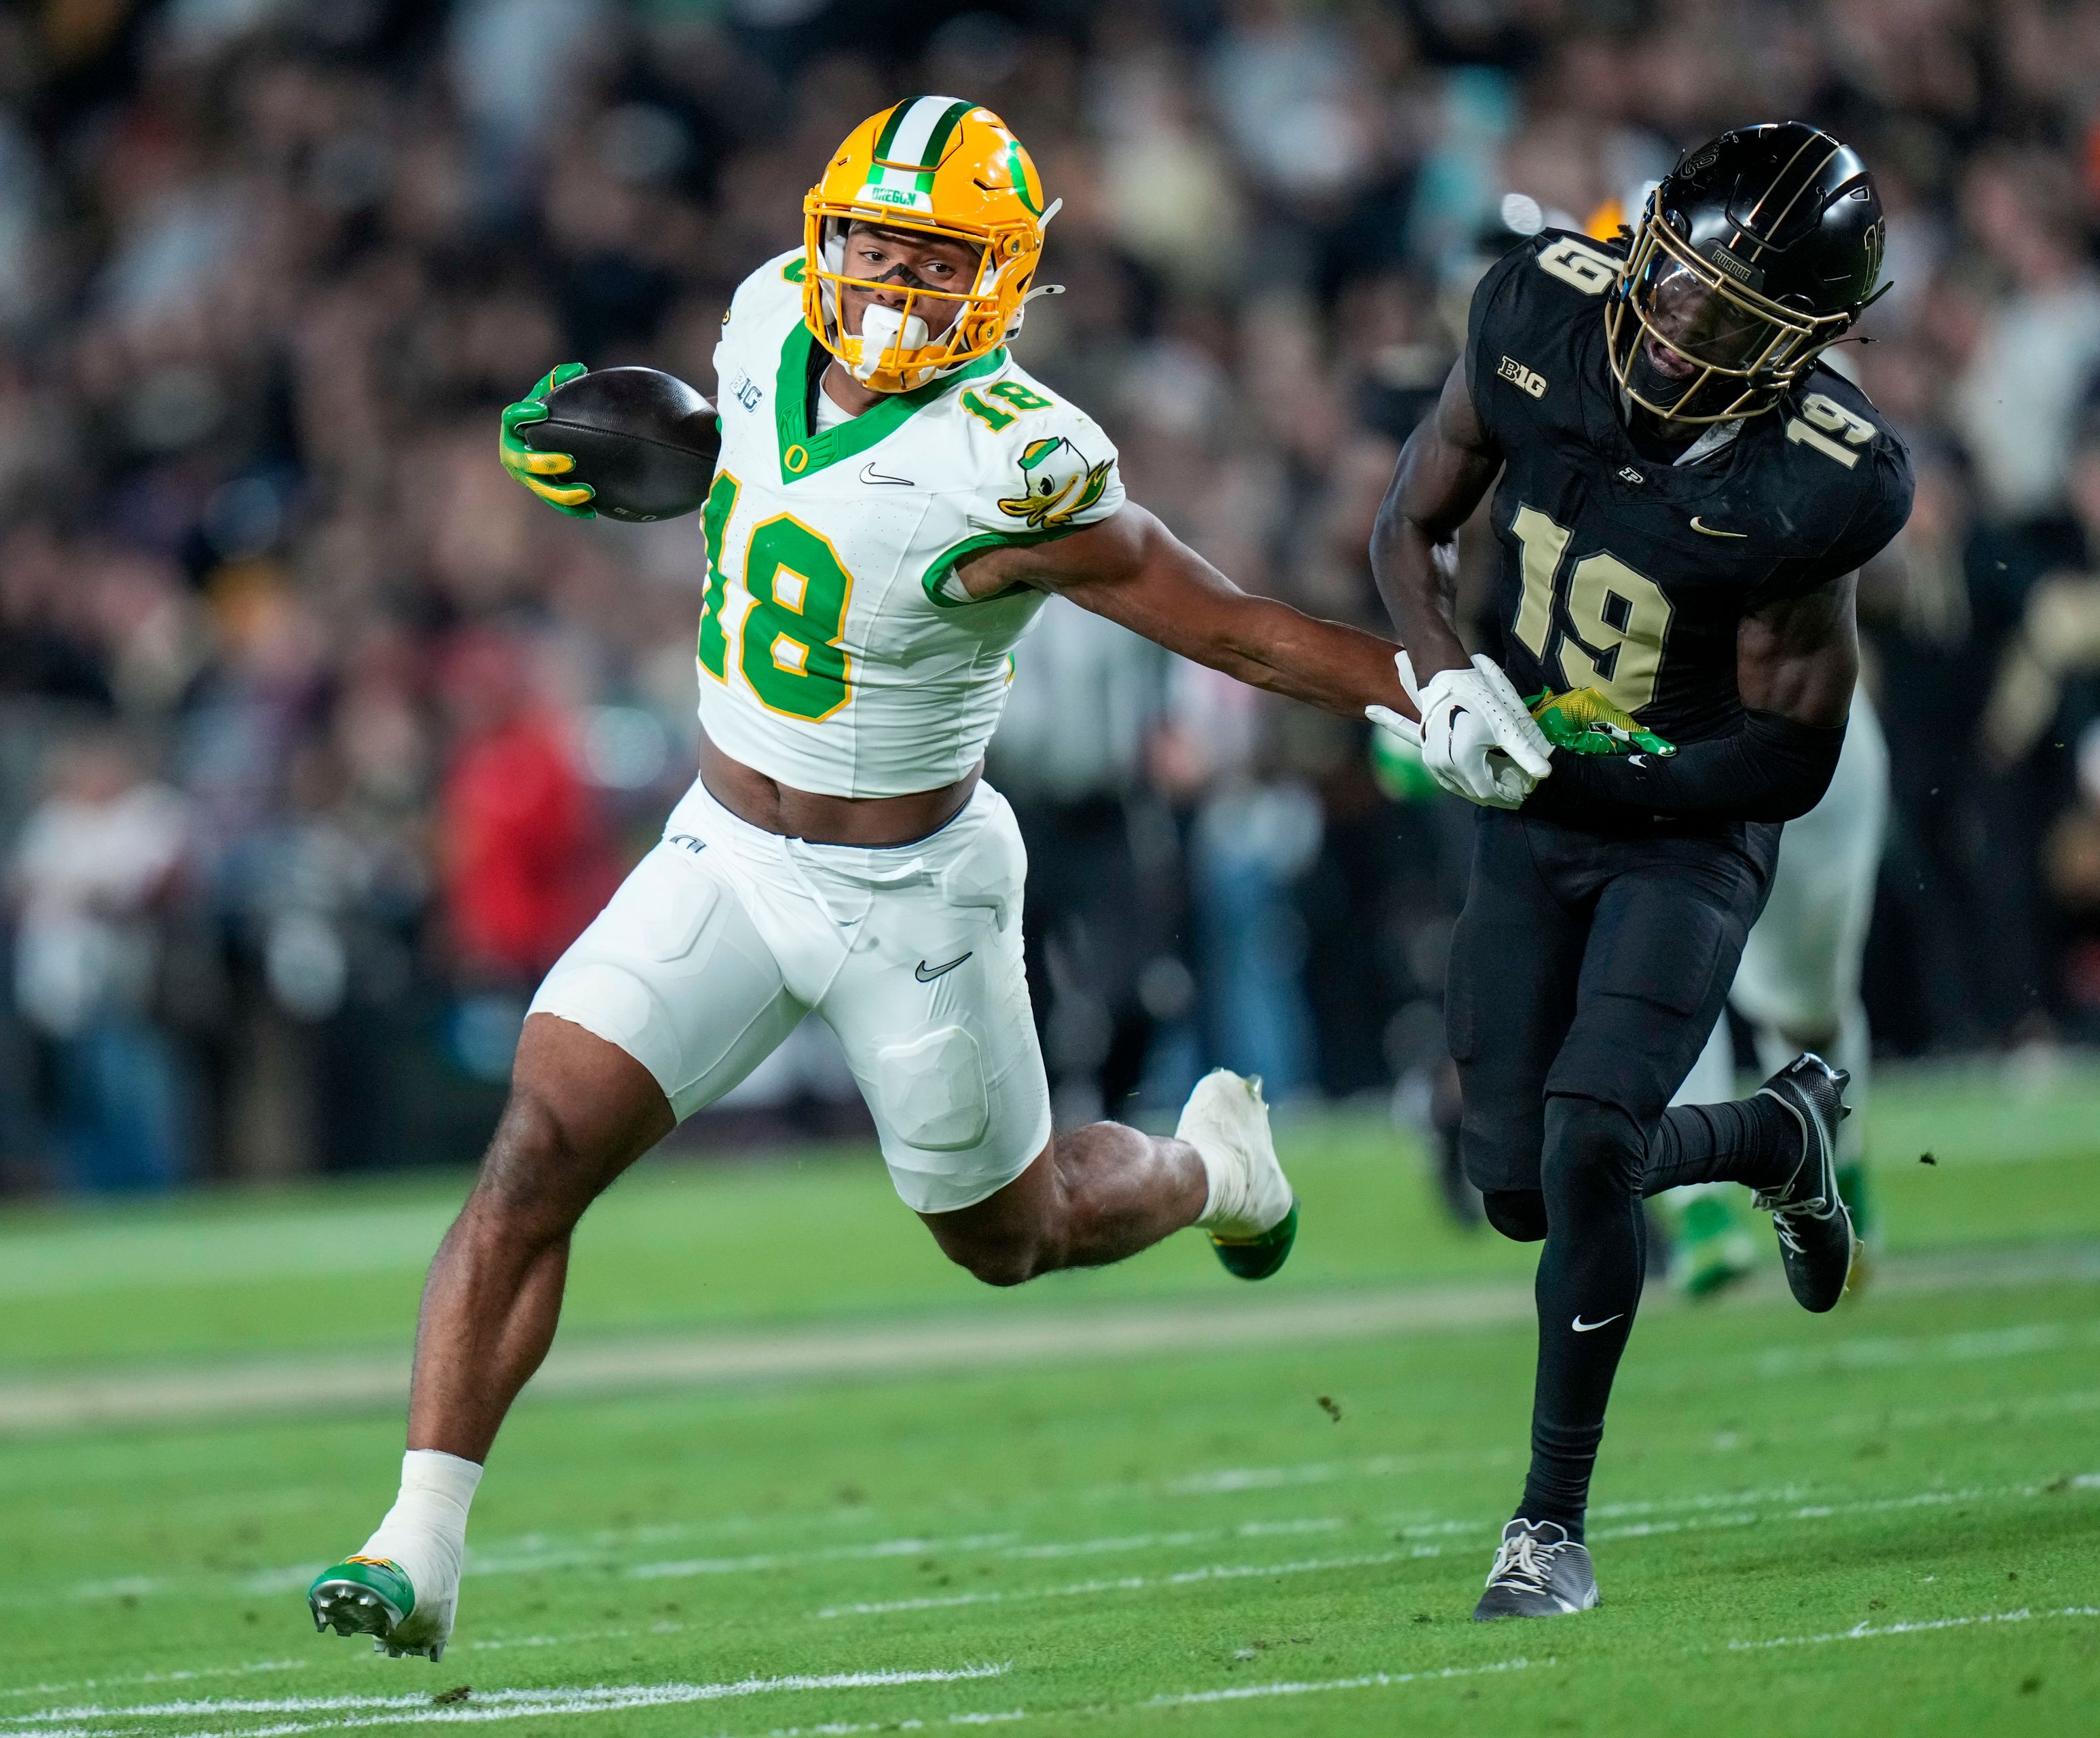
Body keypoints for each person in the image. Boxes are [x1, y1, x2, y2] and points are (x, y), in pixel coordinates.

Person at [308, 96, 1412, 1661]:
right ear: (822, 242)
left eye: (934, 263)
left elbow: (1222, 619)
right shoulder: (763, 312)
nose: (890, 290)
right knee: (538, 1144)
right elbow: (741, 469)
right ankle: (416, 1539)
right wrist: (642, 461)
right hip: (723, 850)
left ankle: (1208, 1169)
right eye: (873, 251)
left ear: (1007, 283)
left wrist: (1416, 687)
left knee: (1006, 1234)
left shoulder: (1022, 460)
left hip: (913, 891)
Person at [1365, 124, 1913, 1619]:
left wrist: (1574, 763)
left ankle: (1548, 1524)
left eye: (1729, 314)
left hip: (1685, 827)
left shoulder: (1823, 476)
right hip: (1535, 812)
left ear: (1801, 340)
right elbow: (1406, 523)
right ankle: (1777, 1137)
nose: (1677, 322)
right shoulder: (1539, 312)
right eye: (1670, 278)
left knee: (1594, 1138)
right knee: (1517, 1183)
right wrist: (1449, 685)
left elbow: (1788, 755)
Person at [1665, 681, 1890, 1295]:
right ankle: (1700, 1205)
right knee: (1659, 963)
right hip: (1655, 732)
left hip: (1795, 736)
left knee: (1802, 1015)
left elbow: (1903, 591)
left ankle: (1835, 1168)